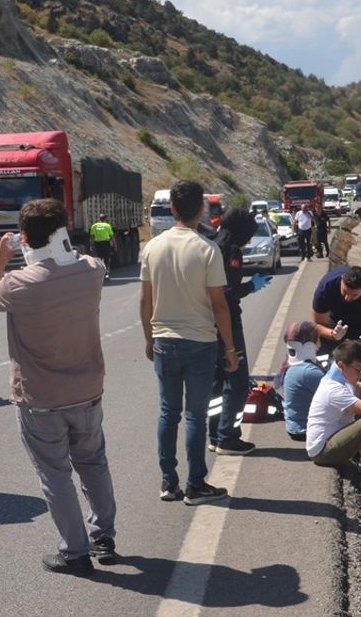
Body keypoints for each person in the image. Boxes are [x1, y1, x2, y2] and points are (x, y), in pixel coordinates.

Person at [0, 198, 117, 577]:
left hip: (40, 399)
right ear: (63, 231)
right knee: (94, 463)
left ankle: (75, 551)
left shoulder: (19, 285)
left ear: (24, 238)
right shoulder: (91, 271)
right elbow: (83, 260)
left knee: (55, 475)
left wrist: (2, 258)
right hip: (87, 390)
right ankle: (104, 535)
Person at [140, 180, 238, 506]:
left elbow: (145, 300)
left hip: (164, 341)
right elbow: (219, 305)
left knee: (168, 412)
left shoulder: (152, 248)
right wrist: (229, 348)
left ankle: (169, 483)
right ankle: (196, 485)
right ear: (202, 209)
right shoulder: (207, 250)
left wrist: (148, 337)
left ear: (172, 210)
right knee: (195, 415)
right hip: (200, 342)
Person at [207, 209, 270, 455]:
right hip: (228, 324)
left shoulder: (212, 241)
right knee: (238, 381)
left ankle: (214, 434)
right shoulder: (231, 250)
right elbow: (226, 293)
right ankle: (229, 437)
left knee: (216, 384)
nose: (249, 243)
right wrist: (251, 287)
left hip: (207, 324)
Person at [305, 341, 361, 474]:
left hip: (331, 439)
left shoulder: (342, 378)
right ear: (341, 365)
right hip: (322, 452)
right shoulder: (333, 388)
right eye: (358, 369)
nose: (360, 374)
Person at [311, 265, 361, 393]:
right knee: (326, 369)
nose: (348, 298)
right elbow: (317, 324)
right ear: (342, 280)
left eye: (354, 295)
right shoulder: (327, 286)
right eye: (344, 292)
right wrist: (332, 334)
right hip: (335, 326)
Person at [277, 321, 324, 441]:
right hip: (305, 430)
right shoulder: (309, 372)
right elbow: (336, 395)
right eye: (318, 339)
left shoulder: (290, 366)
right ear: (309, 345)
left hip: (295, 426)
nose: (320, 343)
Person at [88, 213, 116, 278]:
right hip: (106, 243)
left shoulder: (94, 226)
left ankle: (100, 272)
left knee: (99, 258)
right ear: (105, 219)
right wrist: (115, 245)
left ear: (99, 219)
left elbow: (92, 237)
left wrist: (91, 245)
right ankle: (106, 273)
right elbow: (112, 236)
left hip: (97, 244)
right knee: (106, 258)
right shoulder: (107, 226)